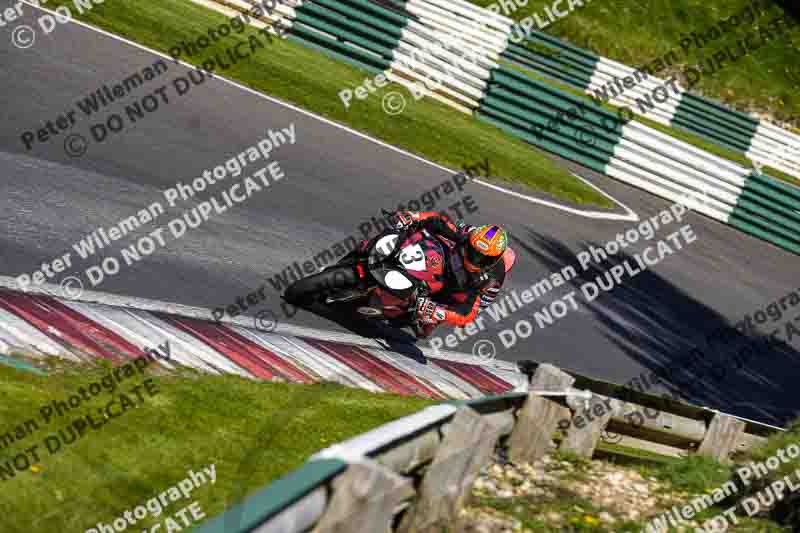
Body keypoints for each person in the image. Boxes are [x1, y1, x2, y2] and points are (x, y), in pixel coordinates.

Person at [391, 210, 516, 337]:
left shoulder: (491, 280)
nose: (476, 259)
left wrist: (437, 311)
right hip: (450, 263)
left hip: (462, 289)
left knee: (426, 325)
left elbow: (467, 314)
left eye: (483, 259)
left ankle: (424, 317)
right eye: (473, 251)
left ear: (495, 259)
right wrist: (414, 217)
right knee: (423, 235)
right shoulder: (467, 234)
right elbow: (439, 220)